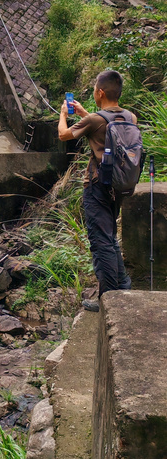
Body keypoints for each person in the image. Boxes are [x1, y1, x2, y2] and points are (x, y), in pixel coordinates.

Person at [58, 69, 134, 311]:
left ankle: (108, 298)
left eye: (94, 89)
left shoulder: (94, 121)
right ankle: (123, 284)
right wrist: (84, 113)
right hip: (120, 185)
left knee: (100, 241)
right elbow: (105, 128)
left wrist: (64, 114)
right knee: (109, 236)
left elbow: (63, 135)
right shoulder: (130, 117)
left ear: (100, 92)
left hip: (97, 187)